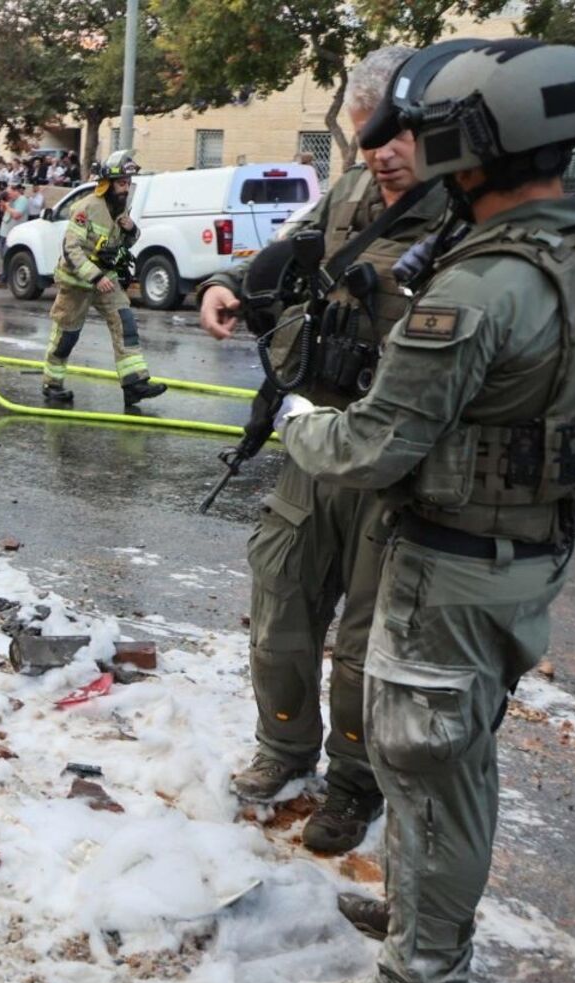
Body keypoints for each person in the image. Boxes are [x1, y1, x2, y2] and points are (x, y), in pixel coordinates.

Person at [276, 40, 575, 983]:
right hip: (528, 557)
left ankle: (422, 981)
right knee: (457, 766)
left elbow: (377, 444)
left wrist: (302, 426)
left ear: (474, 145)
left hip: (447, 576)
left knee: (429, 775)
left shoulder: (480, 286)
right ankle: (423, 921)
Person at [195, 46, 450, 856]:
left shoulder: (464, 212)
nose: (379, 151)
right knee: (279, 599)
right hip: (317, 432)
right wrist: (229, 281)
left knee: (368, 645)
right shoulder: (350, 191)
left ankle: (352, 782)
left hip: (399, 460)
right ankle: (284, 745)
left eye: (393, 132)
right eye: (364, 133)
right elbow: (293, 246)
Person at [40, 150, 167, 410]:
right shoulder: (86, 207)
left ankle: (134, 384)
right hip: (77, 281)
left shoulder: (121, 208)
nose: (126, 188)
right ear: (107, 184)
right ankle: (52, 384)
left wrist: (132, 231)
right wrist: (95, 277)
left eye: (128, 183)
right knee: (66, 336)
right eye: (121, 183)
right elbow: (70, 249)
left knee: (125, 323)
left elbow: (123, 242)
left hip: (106, 278)